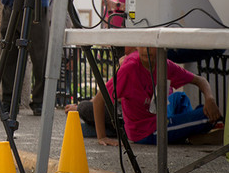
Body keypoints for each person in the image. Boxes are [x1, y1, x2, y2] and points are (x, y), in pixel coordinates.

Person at [75, 47, 222, 145]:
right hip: (146, 130)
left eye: (151, 46)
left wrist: (210, 99)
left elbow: (200, 80)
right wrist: (102, 137)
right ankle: (189, 133)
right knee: (207, 117)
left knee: (181, 98)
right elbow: (99, 99)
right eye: (142, 45)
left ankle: (188, 134)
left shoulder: (165, 65)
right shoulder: (130, 68)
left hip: (160, 113)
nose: (146, 49)